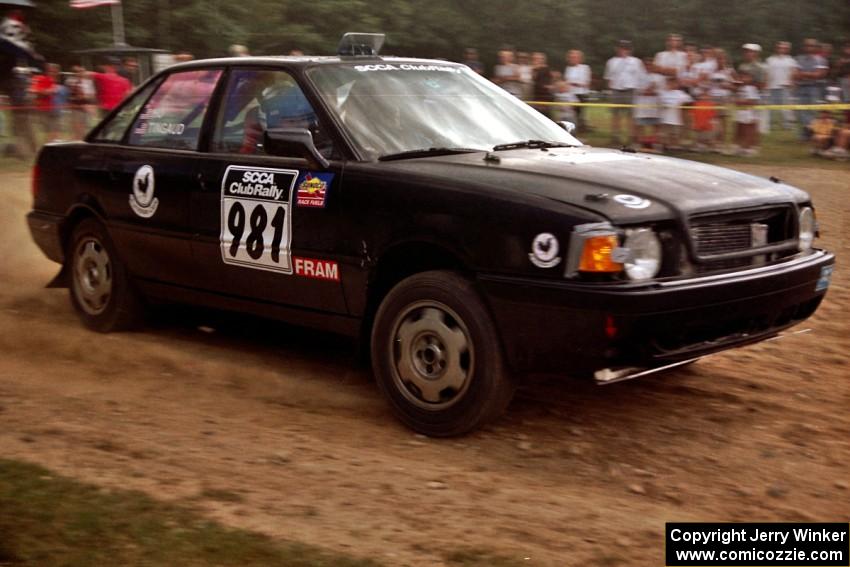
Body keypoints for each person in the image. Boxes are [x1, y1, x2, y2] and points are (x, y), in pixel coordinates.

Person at [603, 40, 645, 145]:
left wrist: (639, 89)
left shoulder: (636, 61)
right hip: (616, 90)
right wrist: (610, 88)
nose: (623, 50)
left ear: (630, 50)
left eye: (626, 48)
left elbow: (641, 77)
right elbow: (608, 77)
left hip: (630, 90)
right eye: (621, 48)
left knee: (630, 115)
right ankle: (615, 137)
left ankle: (631, 137)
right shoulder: (611, 61)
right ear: (617, 49)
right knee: (616, 115)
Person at [795, 39, 828, 140]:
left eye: (811, 46)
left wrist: (804, 74)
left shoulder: (821, 60)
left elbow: (819, 74)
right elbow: (796, 74)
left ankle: (812, 132)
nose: (809, 48)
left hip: (815, 88)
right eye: (807, 46)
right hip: (801, 88)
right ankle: (807, 131)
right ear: (804, 47)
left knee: (813, 112)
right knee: (801, 112)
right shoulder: (799, 59)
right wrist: (811, 74)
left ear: (816, 47)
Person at [765, 41, 798, 130]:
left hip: (785, 86)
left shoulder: (791, 60)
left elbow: (794, 73)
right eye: (780, 47)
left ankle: (787, 125)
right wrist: (766, 85)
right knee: (771, 108)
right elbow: (767, 74)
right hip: (772, 86)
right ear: (776, 48)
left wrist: (792, 83)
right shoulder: (770, 60)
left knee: (786, 107)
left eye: (784, 48)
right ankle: (772, 125)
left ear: (787, 50)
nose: (781, 49)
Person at [633, 58, 663, 150]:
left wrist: (652, 90)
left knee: (656, 125)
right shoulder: (639, 77)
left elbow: (661, 90)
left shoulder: (659, 77)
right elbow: (637, 89)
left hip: (654, 106)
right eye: (646, 65)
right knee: (640, 125)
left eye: (650, 65)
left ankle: (655, 143)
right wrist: (647, 90)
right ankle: (640, 142)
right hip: (642, 105)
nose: (648, 66)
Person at [738, 44, 768, 135]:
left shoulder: (760, 67)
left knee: (754, 123)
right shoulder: (742, 66)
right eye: (746, 51)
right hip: (744, 97)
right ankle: (744, 145)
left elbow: (762, 85)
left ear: (756, 53)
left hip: (755, 97)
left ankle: (753, 146)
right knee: (743, 122)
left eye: (750, 51)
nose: (747, 53)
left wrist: (748, 82)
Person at [658, 76, 692, 150]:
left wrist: (682, 104)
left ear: (676, 84)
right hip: (665, 118)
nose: (670, 85)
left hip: (676, 119)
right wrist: (662, 105)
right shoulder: (663, 93)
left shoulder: (680, 93)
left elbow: (689, 100)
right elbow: (659, 102)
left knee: (675, 133)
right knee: (665, 133)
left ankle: (675, 145)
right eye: (669, 83)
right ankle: (666, 145)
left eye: (673, 83)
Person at [66, 64, 97, 139]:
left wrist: (91, 105)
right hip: (76, 107)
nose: (79, 73)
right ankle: (78, 140)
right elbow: (70, 95)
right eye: (76, 71)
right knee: (77, 128)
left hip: (86, 107)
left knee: (87, 127)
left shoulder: (88, 82)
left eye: (81, 71)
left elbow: (92, 95)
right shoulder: (70, 81)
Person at [734, 71, 761, 155]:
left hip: (749, 112)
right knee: (740, 130)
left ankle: (750, 148)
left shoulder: (752, 88)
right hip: (740, 111)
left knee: (749, 130)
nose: (744, 79)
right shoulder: (741, 88)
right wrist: (737, 101)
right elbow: (737, 99)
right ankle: (742, 147)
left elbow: (753, 101)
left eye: (746, 77)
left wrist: (741, 101)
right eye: (742, 77)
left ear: (751, 78)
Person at [564, 49, 591, 131]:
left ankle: (579, 130)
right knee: (571, 115)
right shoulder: (568, 68)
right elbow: (566, 82)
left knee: (579, 115)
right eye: (571, 57)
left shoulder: (585, 68)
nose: (573, 59)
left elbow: (585, 83)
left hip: (581, 94)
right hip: (570, 95)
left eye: (575, 57)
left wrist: (572, 83)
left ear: (580, 58)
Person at [530, 52, 552, 116]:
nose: (536, 60)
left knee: (544, 113)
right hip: (535, 94)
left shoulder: (545, 69)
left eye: (539, 59)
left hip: (544, 95)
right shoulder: (534, 69)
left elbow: (546, 83)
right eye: (535, 59)